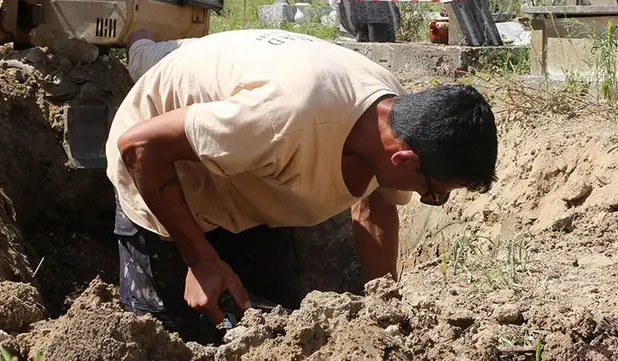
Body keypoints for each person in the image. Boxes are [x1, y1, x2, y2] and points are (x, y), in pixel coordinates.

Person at [107, 28, 498, 341]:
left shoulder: (395, 119)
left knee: (277, 331)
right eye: (434, 193)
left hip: (248, 180)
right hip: (163, 167)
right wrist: (202, 260)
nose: (429, 198)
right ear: (405, 159)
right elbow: (140, 147)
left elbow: (376, 204)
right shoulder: (284, 117)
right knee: (165, 339)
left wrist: (384, 306)